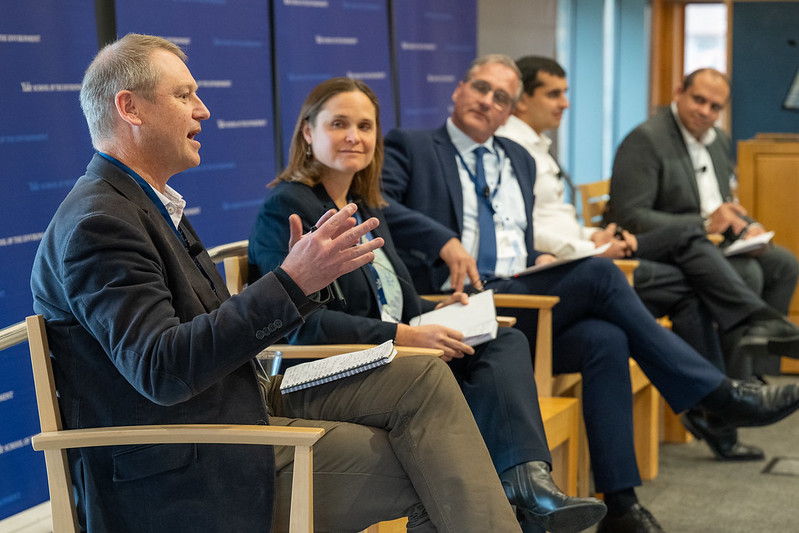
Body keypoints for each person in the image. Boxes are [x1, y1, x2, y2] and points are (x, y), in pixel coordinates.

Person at [29, 34, 533, 533]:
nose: (202, 111)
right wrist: (290, 282)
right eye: (184, 96)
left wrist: (296, 283)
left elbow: (214, 333)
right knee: (437, 473)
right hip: (183, 460)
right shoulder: (100, 222)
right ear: (129, 109)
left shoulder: (146, 203)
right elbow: (163, 370)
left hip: (240, 402)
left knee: (422, 379)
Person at [379, 53, 799, 533]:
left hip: (518, 297)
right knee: (603, 277)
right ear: (458, 89)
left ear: (509, 111)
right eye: (481, 89)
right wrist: (442, 239)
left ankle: (620, 505)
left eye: (502, 98)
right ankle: (716, 394)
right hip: (456, 304)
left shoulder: (518, 158)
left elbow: (519, 232)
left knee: (605, 339)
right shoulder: (411, 145)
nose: (488, 103)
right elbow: (378, 202)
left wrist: (537, 258)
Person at [248, 77, 607, 533]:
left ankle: (528, 481)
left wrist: (436, 311)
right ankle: (520, 496)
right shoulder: (288, 207)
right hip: (331, 367)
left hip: (394, 352)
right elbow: (301, 327)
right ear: (307, 132)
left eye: (365, 125)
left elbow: (394, 294)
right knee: (478, 380)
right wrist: (407, 335)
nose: (354, 137)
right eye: (339, 124)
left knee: (503, 340)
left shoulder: (361, 203)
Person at [495, 55, 799, 462]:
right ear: (521, 100)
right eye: (554, 93)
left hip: (600, 251)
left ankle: (724, 392)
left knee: (772, 262)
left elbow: (554, 219)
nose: (566, 103)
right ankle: (729, 381)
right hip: (578, 266)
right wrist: (593, 246)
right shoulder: (517, 148)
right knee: (695, 247)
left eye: (566, 93)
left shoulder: (538, 146)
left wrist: (592, 236)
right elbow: (529, 228)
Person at [606, 68, 799, 377]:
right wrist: (705, 223)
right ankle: (734, 384)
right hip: (665, 249)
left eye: (715, 107)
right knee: (747, 272)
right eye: (699, 100)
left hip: (708, 242)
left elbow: (720, 202)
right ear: (678, 92)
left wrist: (747, 226)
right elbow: (631, 218)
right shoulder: (645, 139)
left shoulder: (718, 140)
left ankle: (762, 372)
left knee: (783, 264)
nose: (705, 112)